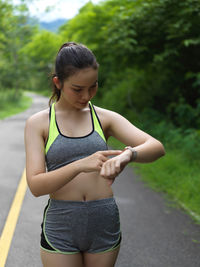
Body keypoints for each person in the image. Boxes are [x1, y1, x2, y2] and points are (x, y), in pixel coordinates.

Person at [24, 42, 165, 267]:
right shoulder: (38, 123)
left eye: (93, 86)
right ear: (58, 83)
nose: (86, 96)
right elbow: (36, 186)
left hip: (104, 220)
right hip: (61, 224)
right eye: (77, 89)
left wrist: (128, 155)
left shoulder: (104, 118)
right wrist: (80, 164)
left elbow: (156, 147)